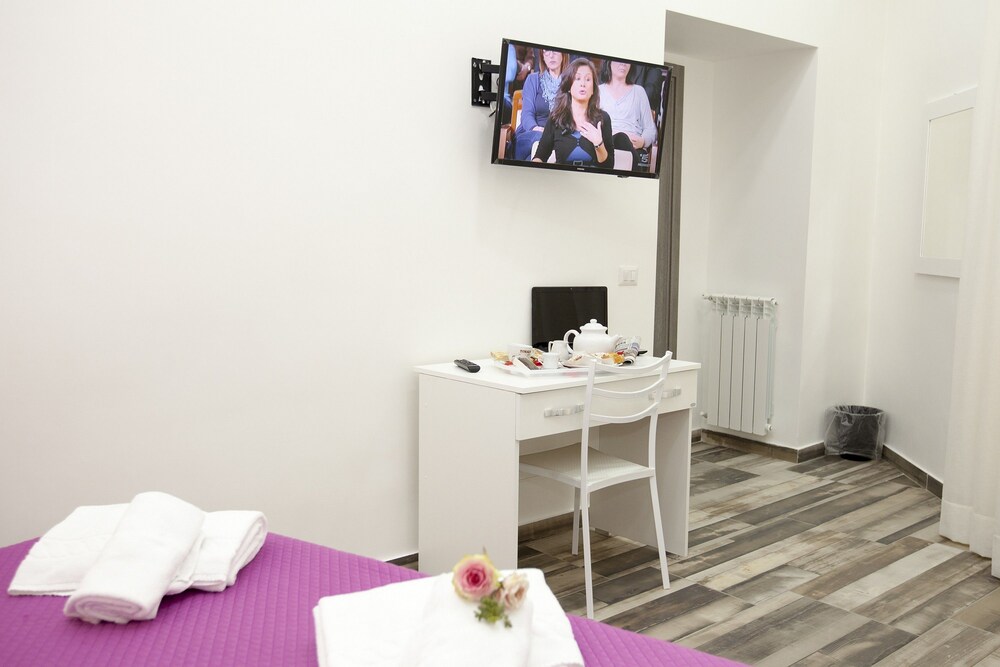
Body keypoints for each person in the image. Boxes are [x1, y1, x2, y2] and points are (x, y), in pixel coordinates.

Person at [533, 58, 613, 168]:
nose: (583, 84)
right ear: (569, 86)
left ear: (593, 89)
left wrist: (598, 143)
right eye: (577, 78)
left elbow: (609, 167)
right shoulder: (556, 118)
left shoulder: (603, 119)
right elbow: (540, 156)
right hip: (562, 177)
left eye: (588, 79)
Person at [598, 60, 656, 170]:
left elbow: (650, 130)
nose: (623, 64)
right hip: (605, 147)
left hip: (634, 148)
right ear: (609, 63)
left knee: (622, 140)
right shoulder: (598, 91)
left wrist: (643, 141)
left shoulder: (639, 91)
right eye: (618, 60)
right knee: (621, 137)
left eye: (627, 62)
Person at [514, 49, 567, 161]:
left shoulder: (571, 83)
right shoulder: (533, 79)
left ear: (563, 55)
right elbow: (527, 113)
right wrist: (536, 128)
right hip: (531, 133)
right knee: (539, 138)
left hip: (557, 137)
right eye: (547, 51)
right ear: (542, 55)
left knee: (532, 158)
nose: (551, 55)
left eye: (556, 51)